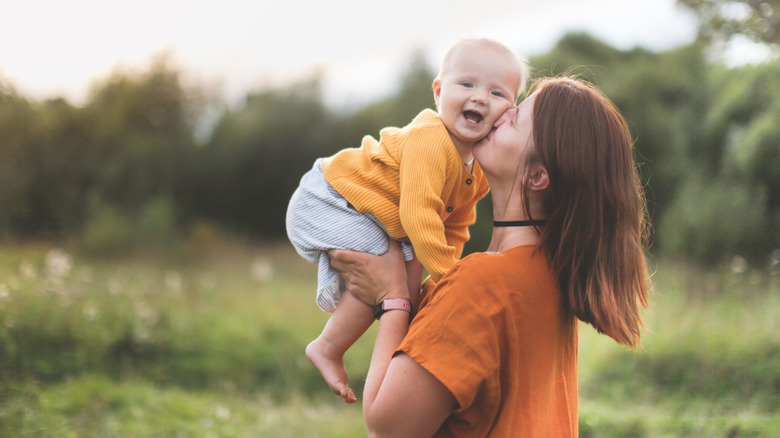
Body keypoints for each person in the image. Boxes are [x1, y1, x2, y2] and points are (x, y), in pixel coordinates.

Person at [329, 76, 650, 436]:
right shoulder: (547, 272)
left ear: (538, 175)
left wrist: (392, 299)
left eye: (514, 120)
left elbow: (388, 428)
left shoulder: (482, 284)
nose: (499, 113)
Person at [286, 38, 529, 403]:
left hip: (370, 214)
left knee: (406, 280)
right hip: (331, 198)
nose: (479, 97)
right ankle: (328, 346)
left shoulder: (477, 171)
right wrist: (452, 279)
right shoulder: (430, 139)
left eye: (496, 92)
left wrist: (441, 282)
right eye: (467, 84)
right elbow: (418, 216)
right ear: (438, 90)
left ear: (509, 110)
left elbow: (453, 229)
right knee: (390, 278)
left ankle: (401, 323)